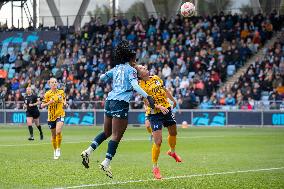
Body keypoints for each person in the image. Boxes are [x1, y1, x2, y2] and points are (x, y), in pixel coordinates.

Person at [80, 40, 155, 178]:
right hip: (120, 103)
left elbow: (102, 77)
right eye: (134, 57)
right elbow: (135, 85)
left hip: (109, 101)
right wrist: (147, 96)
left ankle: (88, 152)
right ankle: (106, 163)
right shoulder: (131, 70)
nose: (135, 60)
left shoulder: (116, 68)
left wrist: (112, 78)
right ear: (130, 58)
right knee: (116, 135)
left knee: (106, 132)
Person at [136, 64, 182, 179]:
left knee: (173, 132)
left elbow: (164, 90)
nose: (144, 67)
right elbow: (147, 103)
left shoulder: (156, 78)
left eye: (143, 66)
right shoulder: (140, 86)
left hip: (166, 109)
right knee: (158, 141)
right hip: (154, 114)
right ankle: (155, 167)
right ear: (139, 75)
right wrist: (159, 107)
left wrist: (172, 100)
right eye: (141, 68)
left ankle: (172, 152)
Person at [41, 78, 66, 160]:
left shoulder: (61, 92)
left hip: (60, 114)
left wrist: (65, 103)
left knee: (58, 131)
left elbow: (64, 99)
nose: (54, 83)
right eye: (52, 82)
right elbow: (42, 105)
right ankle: (55, 150)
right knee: (53, 135)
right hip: (51, 117)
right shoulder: (47, 94)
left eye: (55, 82)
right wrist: (49, 103)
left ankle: (58, 148)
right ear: (49, 84)